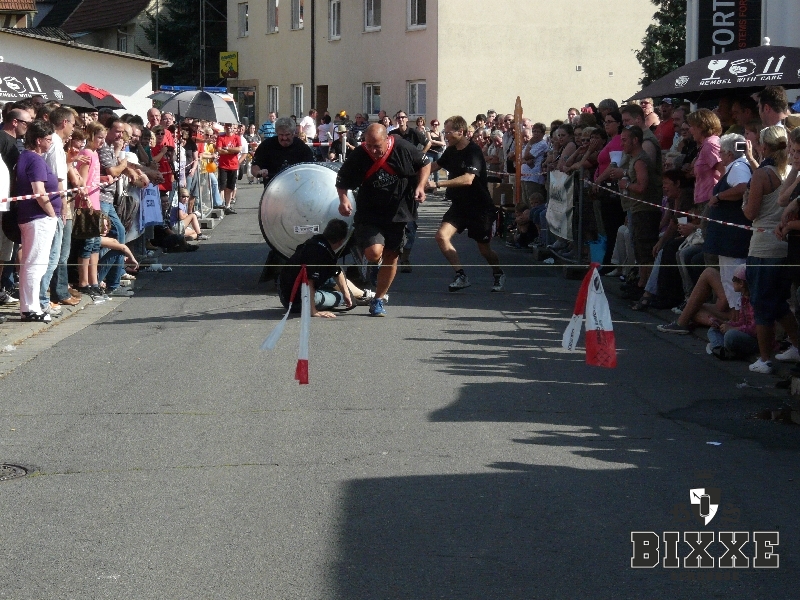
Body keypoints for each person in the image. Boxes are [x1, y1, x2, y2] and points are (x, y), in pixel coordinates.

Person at [336, 123, 430, 316]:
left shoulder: (403, 148)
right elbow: (342, 179)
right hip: (370, 212)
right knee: (373, 253)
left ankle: (378, 299)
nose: (372, 150)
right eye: (369, 145)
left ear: (387, 140)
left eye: (377, 146)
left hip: (399, 211)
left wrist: (421, 186)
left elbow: (425, 163)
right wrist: (343, 199)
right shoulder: (360, 154)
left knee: (391, 256)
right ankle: (372, 262)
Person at [427, 115, 505, 293]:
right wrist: (414, 173)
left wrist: (437, 184)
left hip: (480, 207)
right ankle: (461, 275)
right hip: (459, 205)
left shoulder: (473, 151)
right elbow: (435, 165)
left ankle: (498, 272)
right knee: (441, 236)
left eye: (448, 132)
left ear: (460, 132)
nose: (445, 136)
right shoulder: (451, 150)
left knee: (484, 250)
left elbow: (468, 179)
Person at [16, 120, 61, 322]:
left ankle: (28, 306)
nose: (51, 143)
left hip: (31, 217)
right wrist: (52, 214)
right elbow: (39, 192)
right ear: (38, 140)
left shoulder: (26, 157)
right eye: (48, 139)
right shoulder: (35, 160)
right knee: (36, 264)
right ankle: (31, 308)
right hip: (38, 218)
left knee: (30, 263)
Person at [278, 218, 354, 318]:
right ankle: (354, 296)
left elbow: (337, 272)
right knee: (340, 298)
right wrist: (313, 311)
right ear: (340, 242)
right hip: (294, 300)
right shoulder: (318, 254)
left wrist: (346, 293)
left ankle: (362, 295)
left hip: (284, 287)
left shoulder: (317, 241)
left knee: (336, 284)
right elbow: (308, 282)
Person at [251, 117, 314, 187]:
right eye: (281, 135)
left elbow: (311, 168)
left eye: (287, 135)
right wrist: (259, 172)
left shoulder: (302, 147)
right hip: (273, 188)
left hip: (297, 188)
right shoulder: (266, 146)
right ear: (277, 133)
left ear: (293, 133)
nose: (284, 138)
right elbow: (255, 166)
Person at [215, 122, 242, 214]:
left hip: (233, 165)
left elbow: (239, 149)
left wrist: (227, 148)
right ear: (225, 127)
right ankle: (221, 204)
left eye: (230, 126)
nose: (229, 128)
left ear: (233, 127)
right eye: (227, 126)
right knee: (222, 186)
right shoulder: (221, 137)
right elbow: (219, 150)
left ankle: (228, 205)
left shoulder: (236, 137)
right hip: (223, 165)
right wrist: (232, 151)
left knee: (230, 187)